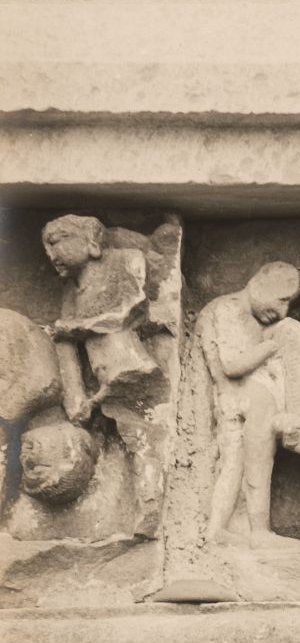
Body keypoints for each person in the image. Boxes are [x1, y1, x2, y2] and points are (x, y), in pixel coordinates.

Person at [42, 215, 165, 532]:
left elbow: (131, 310)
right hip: (100, 383)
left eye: (56, 242)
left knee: (139, 439)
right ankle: (106, 520)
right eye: (46, 245)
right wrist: (75, 395)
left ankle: (150, 509)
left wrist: (75, 328)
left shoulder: (125, 260)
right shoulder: (70, 294)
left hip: (130, 370)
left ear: (89, 241)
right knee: (110, 444)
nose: (49, 253)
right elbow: (65, 346)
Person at [196, 261, 300, 542]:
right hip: (245, 401)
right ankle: (258, 530)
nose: (282, 311)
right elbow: (233, 364)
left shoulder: (240, 312)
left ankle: (217, 530)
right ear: (261, 282)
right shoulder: (230, 307)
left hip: (237, 401)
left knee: (233, 465)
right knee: (256, 460)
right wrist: (273, 345)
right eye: (282, 300)